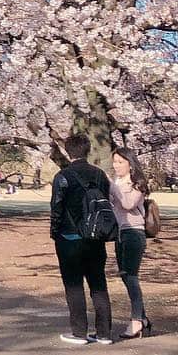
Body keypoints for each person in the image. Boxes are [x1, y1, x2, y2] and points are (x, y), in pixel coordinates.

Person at [50, 133, 113, 344]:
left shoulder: (63, 177)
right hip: (96, 237)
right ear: (88, 150)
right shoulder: (100, 175)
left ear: (69, 151)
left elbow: (56, 208)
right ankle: (104, 333)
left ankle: (79, 332)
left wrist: (54, 232)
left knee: (74, 285)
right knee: (98, 284)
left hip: (69, 238)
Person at [109, 146, 153, 339]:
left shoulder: (138, 183)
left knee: (131, 276)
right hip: (119, 233)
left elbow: (128, 204)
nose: (116, 165)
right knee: (125, 276)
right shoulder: (116, 182)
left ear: (130, 163)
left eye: (120, 162)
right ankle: (142, 318)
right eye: (115, 161)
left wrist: (112, 187)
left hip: (134, 232)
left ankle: (136, 321)